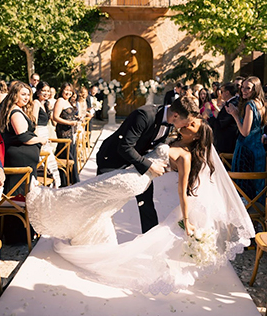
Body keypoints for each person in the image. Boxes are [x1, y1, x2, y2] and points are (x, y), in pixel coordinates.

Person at [27, 117, 255, 294]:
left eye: (193, 125)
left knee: (87, 191)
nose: (188, 124)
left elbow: (182, 191)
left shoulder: (185, 156)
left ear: (196, 137)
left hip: (134, 180)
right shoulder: (174, 139)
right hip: (131, 172)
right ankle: (91, 240)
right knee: (98, 203)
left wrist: (187, 221)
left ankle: (45, 198)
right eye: (189, 121)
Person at [97, 96, 199, 233]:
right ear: (176, 115)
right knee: (102, 202)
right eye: (186, 123)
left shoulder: (170, 123)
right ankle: (94, 234)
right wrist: (150, 166)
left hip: (137, 163)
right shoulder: (144, 115)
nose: (186, 126)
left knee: (146, 203)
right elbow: (125, 147)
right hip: (112, 160)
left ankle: (150, 239)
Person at [0, 82, 46, 244]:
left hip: (23, 159)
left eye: (28, 94)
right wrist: (40, 140)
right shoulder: (16, 112)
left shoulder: (15, 109)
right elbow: (23, 136)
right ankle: (17, 235)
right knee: (19, 195)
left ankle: (23, 232)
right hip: (20, 160)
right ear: (15, 94)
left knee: (23, 194)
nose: (26, 98)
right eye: (23, 94)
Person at [226, 76, 267, 202]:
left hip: (245, 151)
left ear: (255, 89)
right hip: (258, 150)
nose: (244, 90)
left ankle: (247, 218)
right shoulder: (261, 103)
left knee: (243, 189)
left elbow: (244, 132)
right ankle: (258, 217)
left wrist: (235, 115)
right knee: (257, 187)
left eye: (248, 88)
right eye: (242, 87)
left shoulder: (249, 105)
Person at [32, 81, 61, 188]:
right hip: (39, 134)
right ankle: (50, 187)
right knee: (47, 163)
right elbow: (33, 122)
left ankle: (54, 187)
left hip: (46, 133)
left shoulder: (46, 104)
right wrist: (38, 138)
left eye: (48, 91)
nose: (46, 93)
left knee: (51, 164)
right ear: (38, 91)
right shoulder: (35, 103)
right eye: (43, 91)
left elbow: (53, 120)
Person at [53, 82, 80, 186]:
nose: (68, 92)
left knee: (72, 154)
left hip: (71, 132)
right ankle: (67, 181)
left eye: (70, 90)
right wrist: (70, 122)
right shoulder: (60, 101)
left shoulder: (68, 102)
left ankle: (70, 181)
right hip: (64, 132)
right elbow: (55, 117)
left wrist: (76, 119)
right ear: (62, 90)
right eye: (66, 90)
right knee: (66, 155)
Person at [208, 82, 239, 154]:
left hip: (227, 141)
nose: (220, 93)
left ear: (227, 92)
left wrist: (210, 114)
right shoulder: (229, 102)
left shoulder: (232, 104)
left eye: (222, 91)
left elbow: (221, 123)